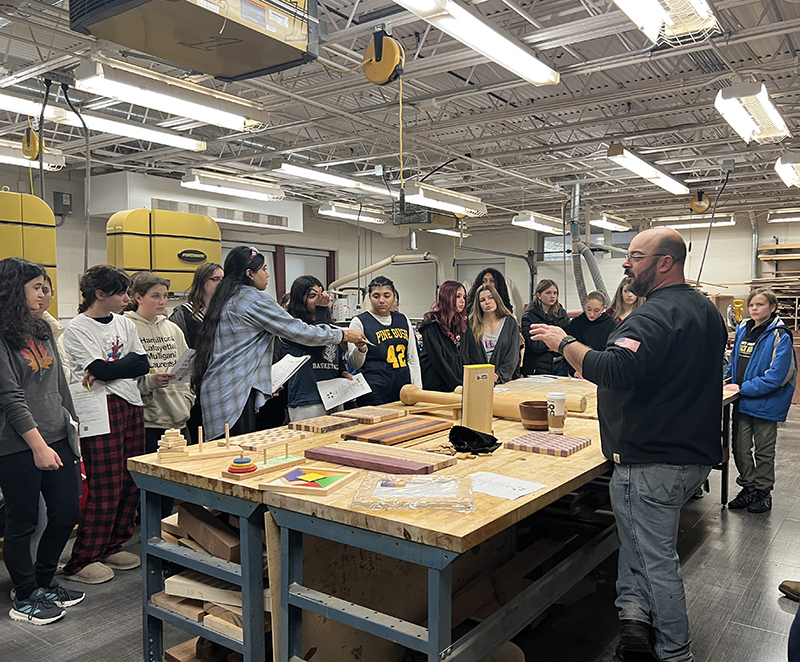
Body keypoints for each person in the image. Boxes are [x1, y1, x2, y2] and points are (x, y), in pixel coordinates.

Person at [530, 228, 727, 662]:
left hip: (652, 460)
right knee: (638, 546)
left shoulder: (653, 316)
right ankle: (635, 627)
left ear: (664, 263)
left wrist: (564, 343)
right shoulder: (704, 310)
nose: (625, 264)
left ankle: (676, 653)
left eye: (635, 256)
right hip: (685, 454)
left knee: (655, 561)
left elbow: (616, 369)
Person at [192, 246, 367, 440]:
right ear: (249, 273)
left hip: (219, 389)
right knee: (236, 455)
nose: (267, 275)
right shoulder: (251, 299)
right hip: (235, 392)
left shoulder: (227, 297)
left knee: (227, 453)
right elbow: (301, 332)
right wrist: (343, 335)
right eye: (264, 269)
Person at [0, 258, 84, 625]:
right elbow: (9, 397)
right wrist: (37, 446)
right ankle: (24, 594)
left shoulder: (43, 329)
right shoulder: (2, 335)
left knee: (67, 511)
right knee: (23, 521)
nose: (46, 292)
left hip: (56, 434)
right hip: (18, 442)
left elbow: (60, 386)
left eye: (47, 285)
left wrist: (71, 427)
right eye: (37, 286)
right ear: (13, 290)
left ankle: (44, 580)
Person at [61, 265, 150, 585]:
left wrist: (112, 368)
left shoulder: (125, 323)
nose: (128, 298)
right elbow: (98, 368)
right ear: (100, 294)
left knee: (130, 482)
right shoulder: (77, 328)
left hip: (130, 404)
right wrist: (113, 368)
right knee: (105, 486)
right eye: (122, 293)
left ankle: (113, 544)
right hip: (99, 409)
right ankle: (83, 558)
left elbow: (142, 363)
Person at [723, 288, 796, 514]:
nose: (754, 309)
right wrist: (727, 381)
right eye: (752, 305)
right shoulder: (744, 329)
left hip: (766, 402)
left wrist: (743, 387)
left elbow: (778, 376)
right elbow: (734, 363)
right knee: (741, 449)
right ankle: (748, 488)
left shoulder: (780, 335)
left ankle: (763, 493)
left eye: (760, 305)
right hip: (742, 400)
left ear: (772, 308)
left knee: (764, 451)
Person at [123, 272, 195, 455]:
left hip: (177, 416)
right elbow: (121, 377)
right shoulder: (126, 327)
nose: (162, 301)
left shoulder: (172, 329)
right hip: (147, 420)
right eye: (155, 296)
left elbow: (187, 369)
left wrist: (187, 399)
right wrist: (150, 382)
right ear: (138, 297)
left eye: (165, 296)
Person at [283, 276, 353, 421]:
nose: (319, 300)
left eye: (320, 296)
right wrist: (321, 309)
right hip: (307, 399)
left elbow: (332, 354)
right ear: (300, 300)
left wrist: (342, 371)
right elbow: (319, 340)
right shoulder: (294, 328)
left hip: (334, 396)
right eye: (312, 296)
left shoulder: (329, 327)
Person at [348, 276, 421, 404]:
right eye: (376, 296)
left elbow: (412, 358)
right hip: (374, 390)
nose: (381, 300)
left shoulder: (403, 320)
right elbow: (354, 364)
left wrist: (418, 390)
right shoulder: (359, 322)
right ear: (370, 297)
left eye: (386, 296)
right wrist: (361, 350)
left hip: (401, 387)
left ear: (394, 297)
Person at [418, 280, 482, 392]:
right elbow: (438, 360)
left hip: (460, 384)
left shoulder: (462, 323)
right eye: (458, 296)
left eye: (464, 297)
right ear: (447, 297)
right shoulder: (431, 324)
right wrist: (457, 385)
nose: (462, 301)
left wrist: (482, 376)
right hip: (438, 385)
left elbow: (473, 353)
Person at [468, 283, 520, 383]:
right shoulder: (471, 325)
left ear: (497, 299)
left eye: (490, 298)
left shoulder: (510, 324)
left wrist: (499, 376)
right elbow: (469, 355)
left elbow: (512, 356)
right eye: (482, 300)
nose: (487, 302)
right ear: (478, 304)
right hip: (477, 380)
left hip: (502, 381)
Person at [521, 279, 570, 376]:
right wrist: (555, 343)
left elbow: (568, 339)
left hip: (560, 365)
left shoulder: (562, 315)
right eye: (548, 293)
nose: (553, 296)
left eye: (555, 293)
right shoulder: (529, 317)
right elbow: (534, 345)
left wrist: (549, 342)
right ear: (539, 295)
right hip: (536, 366)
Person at [169, 262, 223, 349]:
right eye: (216, 279)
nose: (221, 283)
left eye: (223, 279)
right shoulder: (182, 314)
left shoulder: (227, 311)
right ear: (202, 281)